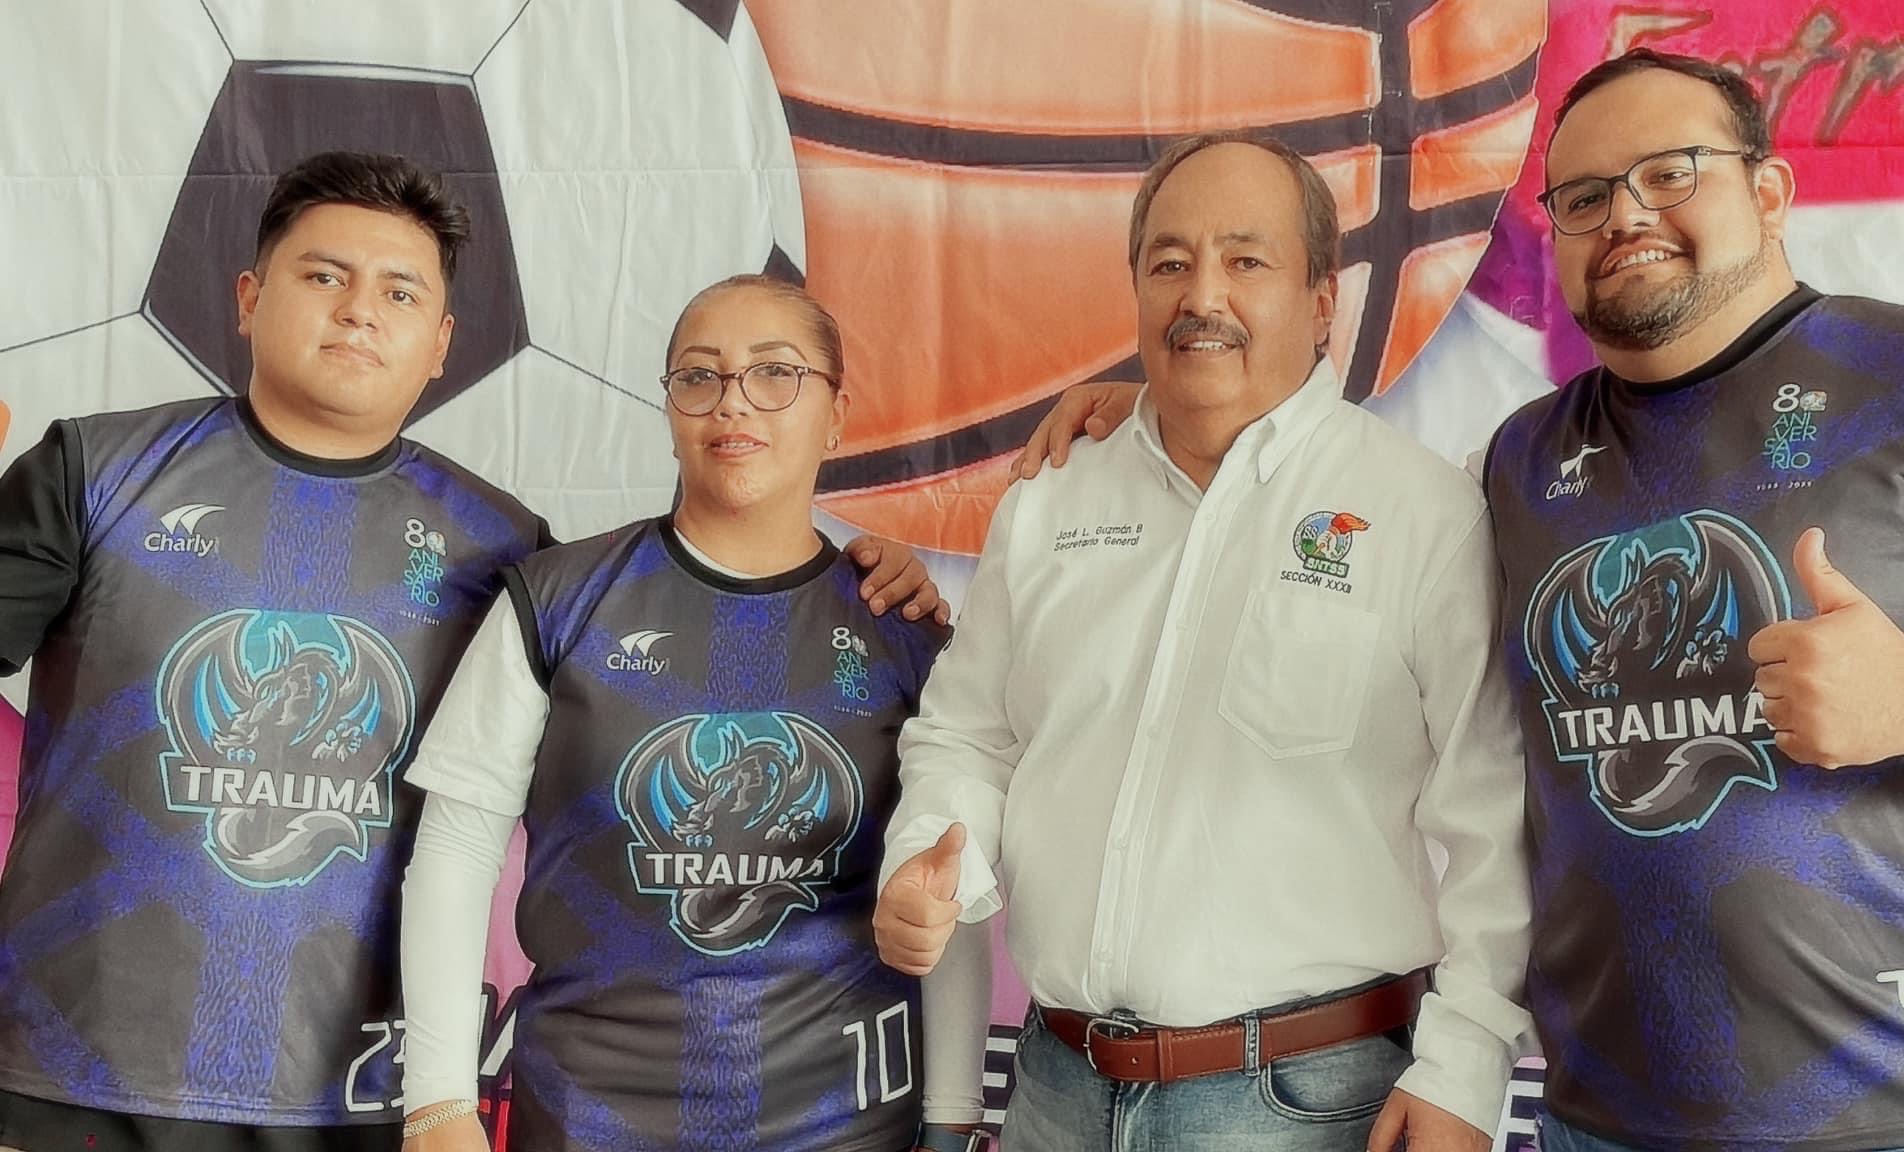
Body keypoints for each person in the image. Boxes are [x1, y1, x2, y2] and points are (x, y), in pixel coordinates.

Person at [1020, 50, 1904, 1152]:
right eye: (1585, 196)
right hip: (1603, 1121)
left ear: (1767, 191)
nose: (1626, 215)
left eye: (1670, 172)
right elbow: (1312, 494)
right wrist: (1179, 404)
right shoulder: (1514, 466)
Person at [0, 154, 942, 1152]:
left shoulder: (506, 553)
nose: (359, 311)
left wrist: (867, 585)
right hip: (66, 1085)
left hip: (352, 1103)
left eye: (399, 292)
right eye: (324, 275)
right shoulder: (92, 473)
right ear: (248, 298)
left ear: (441, 342)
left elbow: (681, 644)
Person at [872, 132, 1531, 1152]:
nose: (1202, 295)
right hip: (1054, 1090)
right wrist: (930, 855)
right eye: (1169, 262)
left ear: (1321, 300)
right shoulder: (1053, 494)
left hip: (1306, 1105)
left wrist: (1465, 1065)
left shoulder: (1421, 513)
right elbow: (968, 735)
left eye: (1245, 260)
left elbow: (1496, 819)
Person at [394, 275, 993, 1152]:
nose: (733, 402)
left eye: (776, 372)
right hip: (588, 1120)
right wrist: (439, 1102)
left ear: (837, 414)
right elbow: (456, 846)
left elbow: (945, 882)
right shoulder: (559, 600)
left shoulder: (904, 630)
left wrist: (951, 1117)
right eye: (699, 376)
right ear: (671, 406)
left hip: (841, 1126)